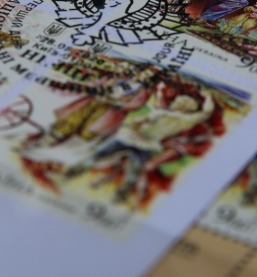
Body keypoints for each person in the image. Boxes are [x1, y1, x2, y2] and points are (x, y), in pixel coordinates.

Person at [81, 82, 216, 204]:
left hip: (134, 139)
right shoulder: (186, 120)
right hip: (145, 143)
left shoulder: (164, 114)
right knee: (132, 169)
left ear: (184, 107)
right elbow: (207, 111)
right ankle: (119, 193)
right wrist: (208, 97)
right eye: (177, 101)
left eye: (178, 102)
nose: (174, 103)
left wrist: (135, 127)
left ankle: (83, 172)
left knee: (102, 155)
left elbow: (138, 122)